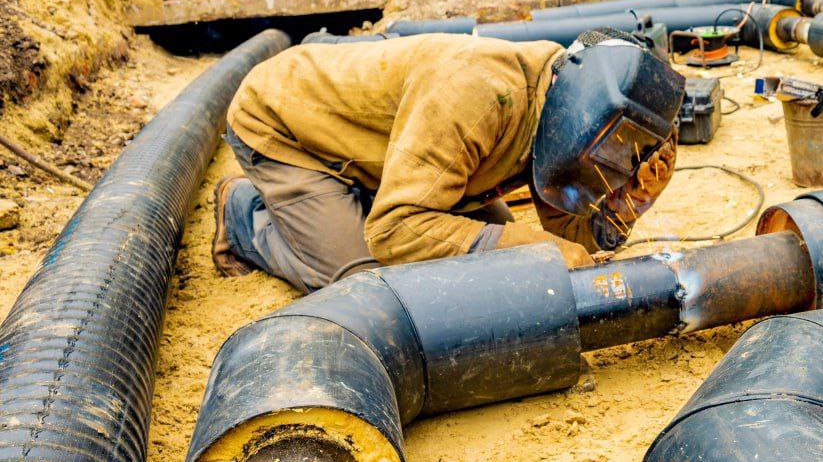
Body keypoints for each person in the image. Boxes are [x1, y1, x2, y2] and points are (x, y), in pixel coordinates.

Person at [211, 28, 683, 292]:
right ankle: (244, 214)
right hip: (287, 126)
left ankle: (350, 199)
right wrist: (519, 243)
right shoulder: (479, 96)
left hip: (400, 156)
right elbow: (394, 229)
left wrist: (631, 203)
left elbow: (568, 243)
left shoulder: (561, 111)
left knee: (484, 250)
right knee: (364, 280)